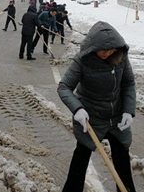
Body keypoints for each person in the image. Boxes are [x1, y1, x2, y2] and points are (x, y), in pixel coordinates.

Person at [57, 21, 136, 192]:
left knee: (122, 158)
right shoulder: (82, 60)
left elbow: (129, 83)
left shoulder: (121, 56)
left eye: (110, 51)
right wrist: (78, 109)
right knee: (81, 159)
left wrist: (128, 111)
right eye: (103, 50)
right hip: (90, 117)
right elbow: (64, 87)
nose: (107, 54)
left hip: (115, 118)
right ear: (94, 47)